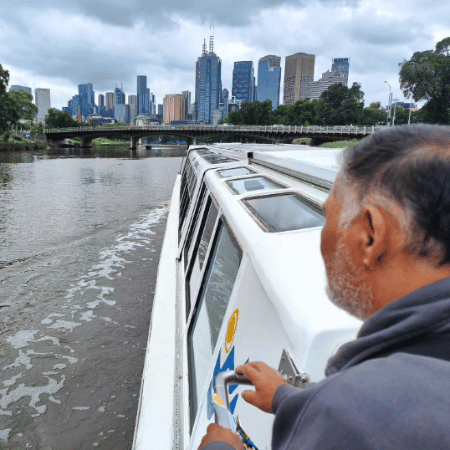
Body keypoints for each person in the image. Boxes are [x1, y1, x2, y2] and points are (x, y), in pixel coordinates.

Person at [198, 124, 450, 450]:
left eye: (326, 217)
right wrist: (287, 399)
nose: (322, 236)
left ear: (369, 236)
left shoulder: (354, 414)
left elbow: (364, 417)